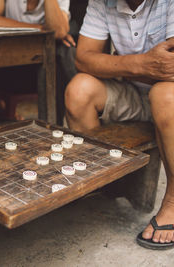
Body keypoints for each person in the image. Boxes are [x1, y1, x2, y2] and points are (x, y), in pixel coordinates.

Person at [64, 0, 174, 250]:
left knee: (165, 96)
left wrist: (115, 64)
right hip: (134, 92)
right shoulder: (102, 2)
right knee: (79, 90)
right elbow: (83, 59)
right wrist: (140, 64)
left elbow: (171, 69)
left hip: (169, 95)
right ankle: (102, 184)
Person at [0, 0, 77, 124]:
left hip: (45, 66)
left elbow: (59, 31)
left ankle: (54, 126)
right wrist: (41, 29)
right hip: (10, 66)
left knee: (64, 50)